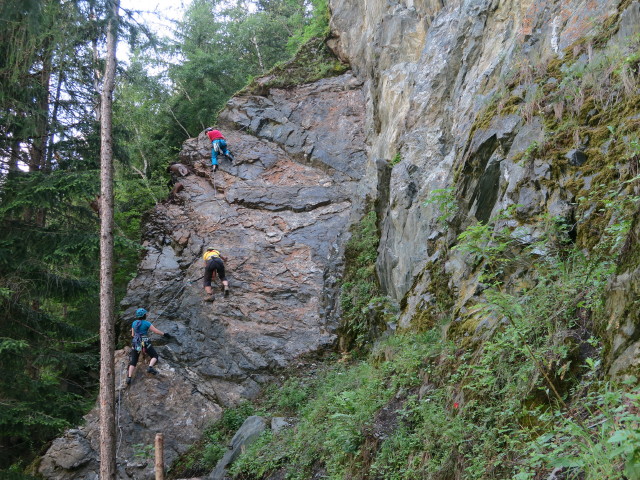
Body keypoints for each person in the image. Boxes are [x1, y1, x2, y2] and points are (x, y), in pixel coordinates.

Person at [126, 308, 171, 385]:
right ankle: (150, 367)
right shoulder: (147, 323)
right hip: (145, 343)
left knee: (133, 361)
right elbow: (156, 331)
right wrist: (165, 334)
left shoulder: (134, 323)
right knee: (155, 356)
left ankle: (129, 378)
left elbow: (133, 335)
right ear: (144, 315)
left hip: (136, 343)